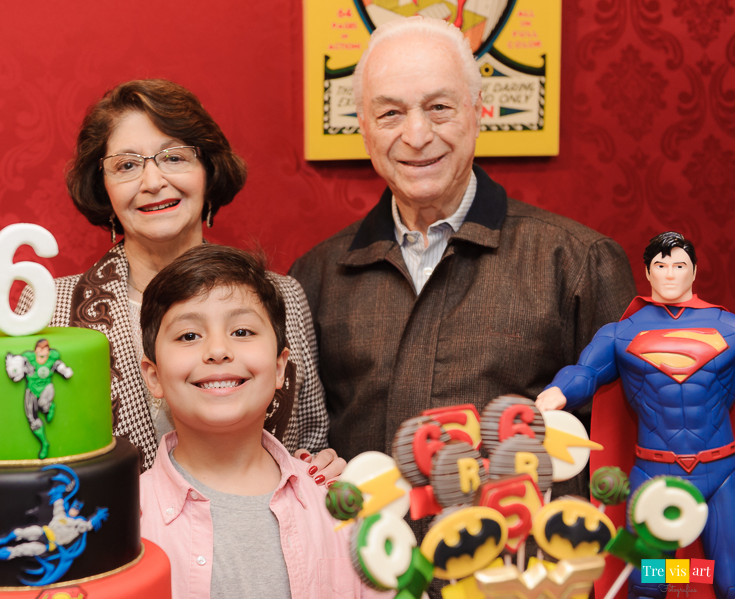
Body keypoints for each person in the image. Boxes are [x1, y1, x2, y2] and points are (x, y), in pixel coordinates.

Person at [289, 16, 636, 492]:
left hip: (526, 540)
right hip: (363, 542)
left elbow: (629, 456)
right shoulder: (314, 278)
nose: (416, 135)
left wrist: (656, 559)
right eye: (390, 114)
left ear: (477, 112)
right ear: (364, 128)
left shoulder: (578, 262)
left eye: (439, 108)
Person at [17, 79, 338, 477]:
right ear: (103, 187)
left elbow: (307, 441)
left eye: (174, 157)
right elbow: (26, 448)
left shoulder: (282, 295)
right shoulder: (49, 307)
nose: (153, 182)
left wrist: (316, 469)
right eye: (127, 165)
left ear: (208, 170)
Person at [138, 245, 387, 598]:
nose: (218, 351)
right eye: (189, 335)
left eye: (242, 332)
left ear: (280, 368)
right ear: (154, 376)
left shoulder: (337, 506)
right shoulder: (124, 520)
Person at [536, 232, 735, 599]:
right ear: (647, 272)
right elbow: (586, 372)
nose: (670, 274)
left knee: (730, 579)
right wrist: (558, 391)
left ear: (694, 272)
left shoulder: (730, 327)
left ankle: (700, 577)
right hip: (656, 473)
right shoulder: (621, 334)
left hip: (722, 471)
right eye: (661, 265)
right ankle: (693, 576)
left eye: (679, 265)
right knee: (648, 582)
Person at [4, 338, 74, 459]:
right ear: (35, 350)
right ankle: (44, 443)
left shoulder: (52, 360)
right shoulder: (28, 360)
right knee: (31, 417)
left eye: (45, 349)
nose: (42, 352)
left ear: (48, 351)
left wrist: (65, 371)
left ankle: (49, 407)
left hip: (46, 388)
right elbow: (18, 365)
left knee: (42, 403)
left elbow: (59, 366)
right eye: (39, 349)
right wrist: (14, 367)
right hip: (31, 390)